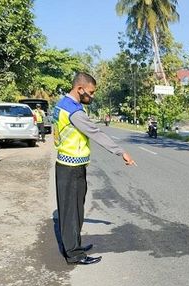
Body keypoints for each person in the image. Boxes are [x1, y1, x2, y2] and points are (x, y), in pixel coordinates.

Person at [53, 72, 136, 265]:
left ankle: (75, 244)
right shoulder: (74, 112)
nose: (92, 96)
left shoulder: (63, 104)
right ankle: (73, 253)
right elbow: (96, 133)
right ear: (79, 89)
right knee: (71, 212)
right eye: (91, 92)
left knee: (75, 209)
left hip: (70, 163)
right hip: (70, 166)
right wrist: (120, 151)